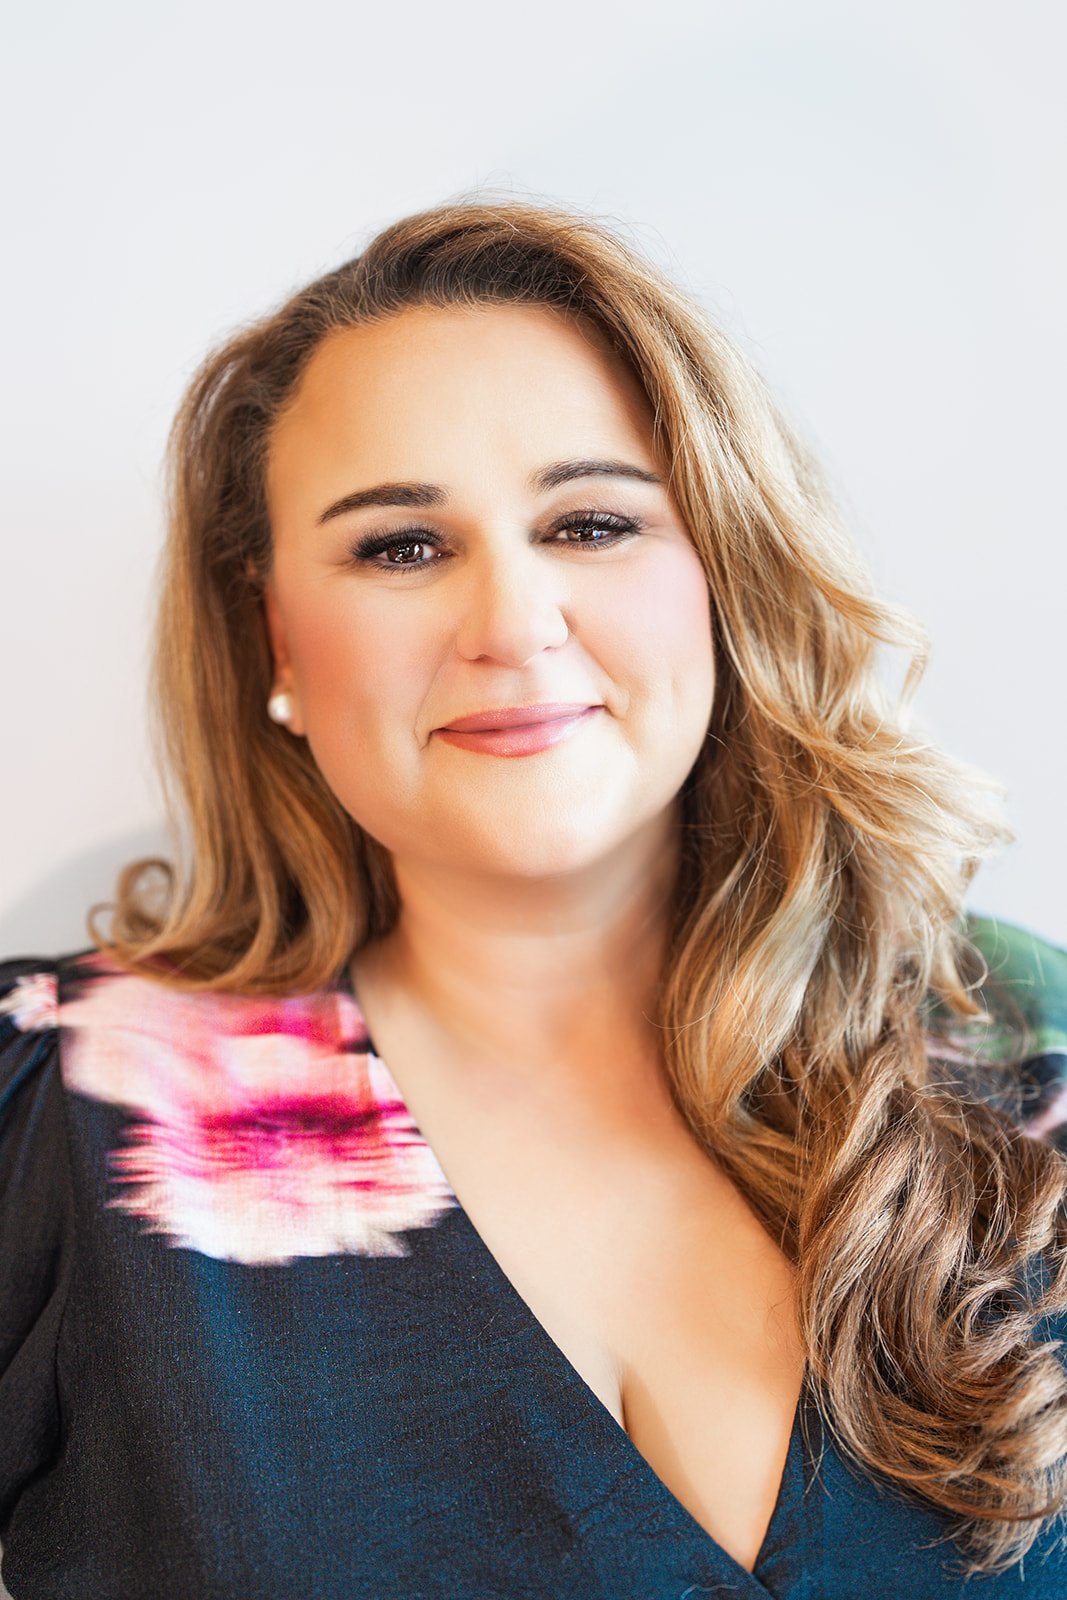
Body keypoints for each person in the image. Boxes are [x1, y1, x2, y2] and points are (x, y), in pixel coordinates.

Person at [2, 196, 1066, 1600]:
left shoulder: (1021, 1059)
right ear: (278, 639)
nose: (511, 624)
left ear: (723, 574)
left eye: (592, 521)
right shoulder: (54, 1110)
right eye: (400, 546)